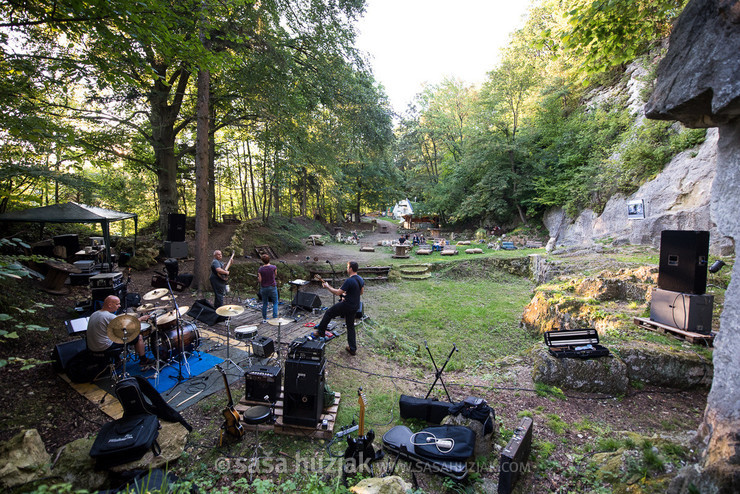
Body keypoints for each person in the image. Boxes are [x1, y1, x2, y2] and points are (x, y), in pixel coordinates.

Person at [87, 295, 155, 369]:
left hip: (92, 346)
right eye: (117, 304)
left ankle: (117, 360)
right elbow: (128, 326)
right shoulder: (109, 316)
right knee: (138, 337)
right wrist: (141, 319)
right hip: (104, 346)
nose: (119, 306)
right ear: (110, 305)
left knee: (115, 336)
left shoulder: (95, 313)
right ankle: (144, 360)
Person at [312, 261, 364, 356]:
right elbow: (360, 292)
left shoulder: (349, 280)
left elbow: (337, 293)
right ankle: (352, 348)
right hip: (355, 306)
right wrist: (347, 294)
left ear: (351, 268)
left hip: (347, 305)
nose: (347, 268)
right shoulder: (360, 279)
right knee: (350, 326)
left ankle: (320, 331)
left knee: (329, 313)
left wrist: (327, 286)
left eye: (348, 267)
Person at [257, 254, 279, 323]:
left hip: (264, 288)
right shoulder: (273, 267)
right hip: (272, 287)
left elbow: (260, 280)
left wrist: (258, 278)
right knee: (275, 302)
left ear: (262, 261)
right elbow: (275, 274)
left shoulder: (260, 269)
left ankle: (264, 318)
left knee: (265, 303)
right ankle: (275, 317)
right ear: (269, 259)